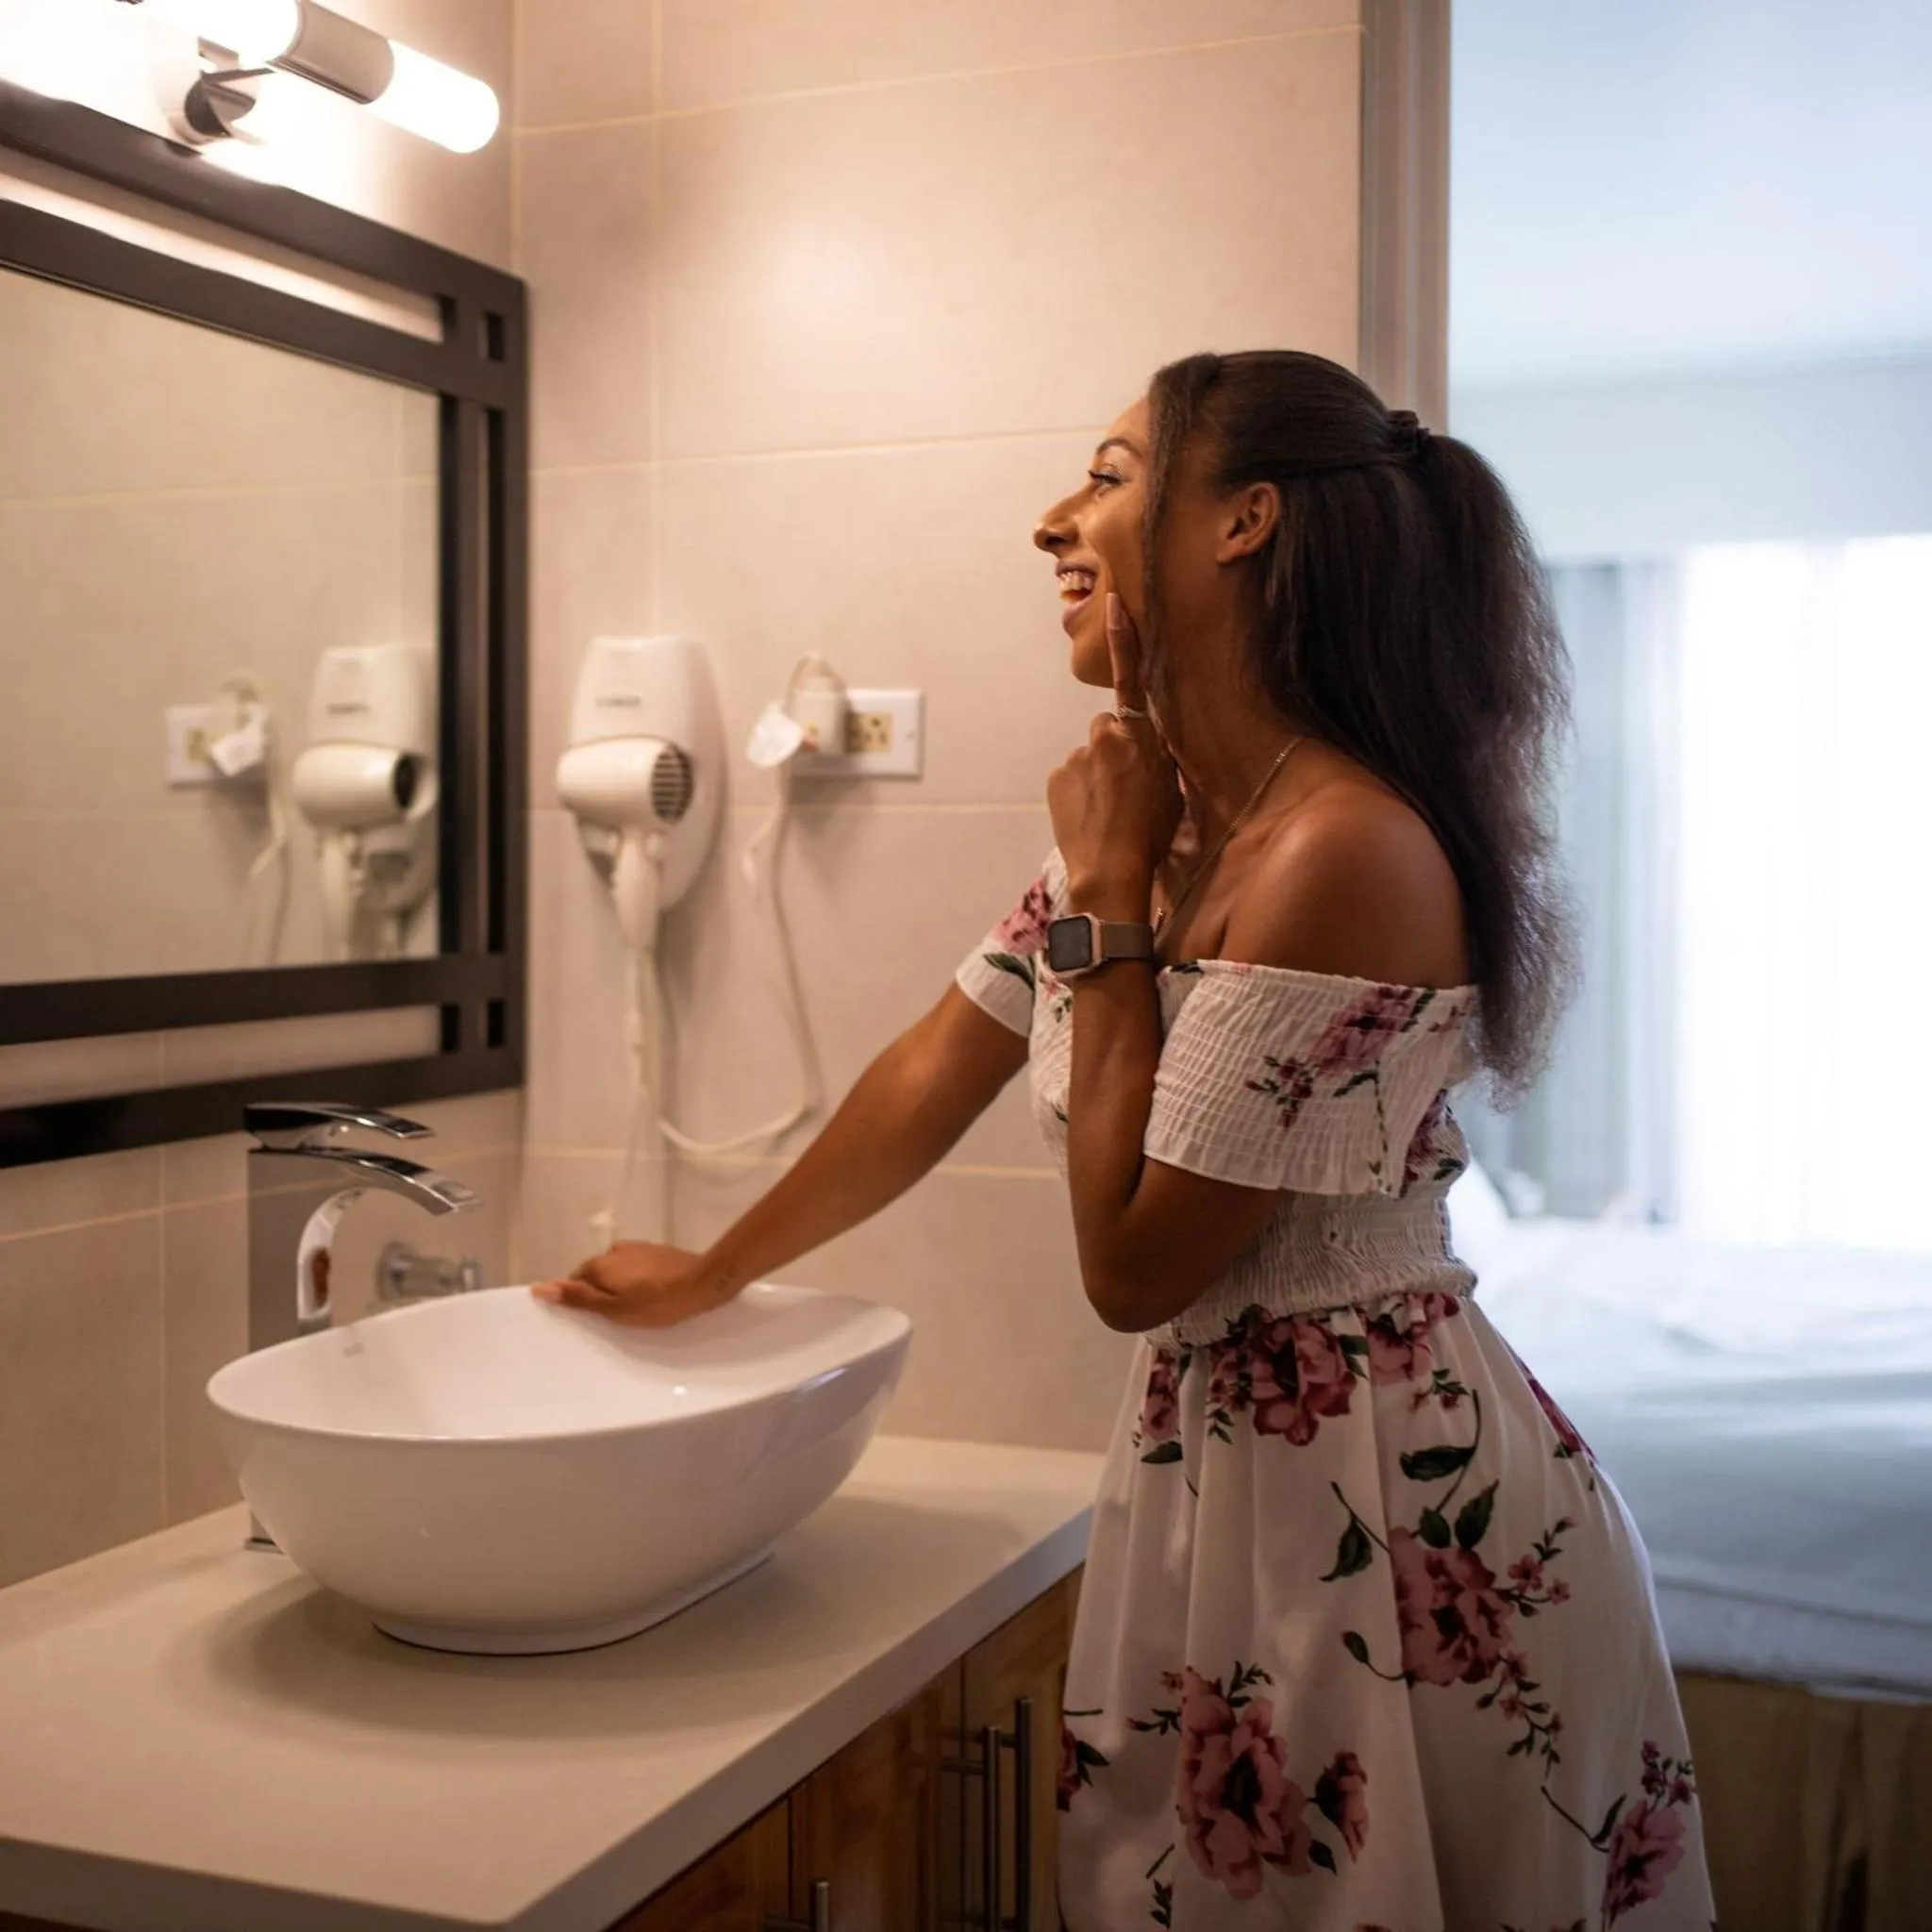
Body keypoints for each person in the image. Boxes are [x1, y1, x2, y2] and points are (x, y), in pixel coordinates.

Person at [532, 349, 1718, 1931]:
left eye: (1104, 474)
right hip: (1237, 1465)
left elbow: (1134, 1262)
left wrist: (1104, 903)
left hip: (1382, 1492)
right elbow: (933, 1070)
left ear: (1243, 524)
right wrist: (714, 1270)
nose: (1051, 522)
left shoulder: (1343, 848)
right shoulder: (1167, 830)